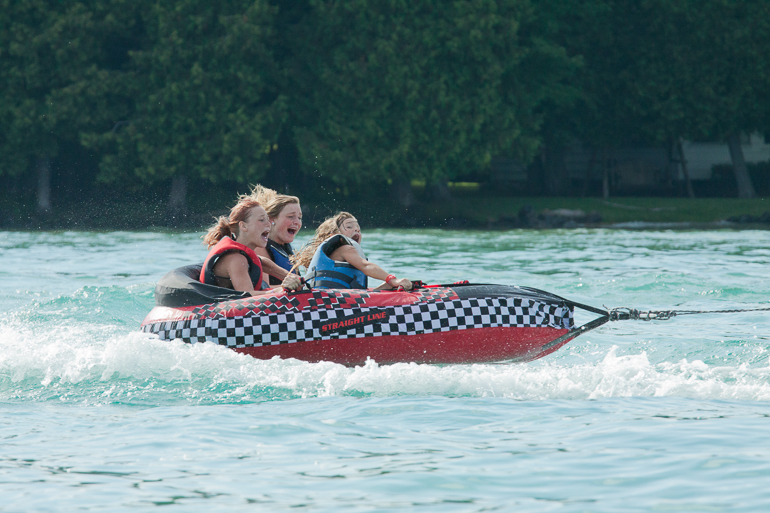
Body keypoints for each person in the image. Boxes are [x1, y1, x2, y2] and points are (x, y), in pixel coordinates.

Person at [200, 195, 302, 295]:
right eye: (262, 220)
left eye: (267, 219)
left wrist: (292, 278)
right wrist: (281, 289)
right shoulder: (236, 259)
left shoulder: (247, 256)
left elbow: (262, 262)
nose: (268, 224)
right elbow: (247, 295)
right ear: (243, 226)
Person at [291, 212, 412, 290]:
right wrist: (392, 279)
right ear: (334, 234)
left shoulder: (348, 256)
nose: (356, 230)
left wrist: (386, 287)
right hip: (327, 302)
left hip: (338, 300)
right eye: (349, 227)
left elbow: (357, 293)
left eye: (358, 228)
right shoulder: (344, 249)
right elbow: (365, 266)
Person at [249, 185, 303, 288]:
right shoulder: (261, 246)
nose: (297, 222)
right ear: (271, 219)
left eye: (299, 217)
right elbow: (264, 288)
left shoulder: (287, 247)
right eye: (291, 217)